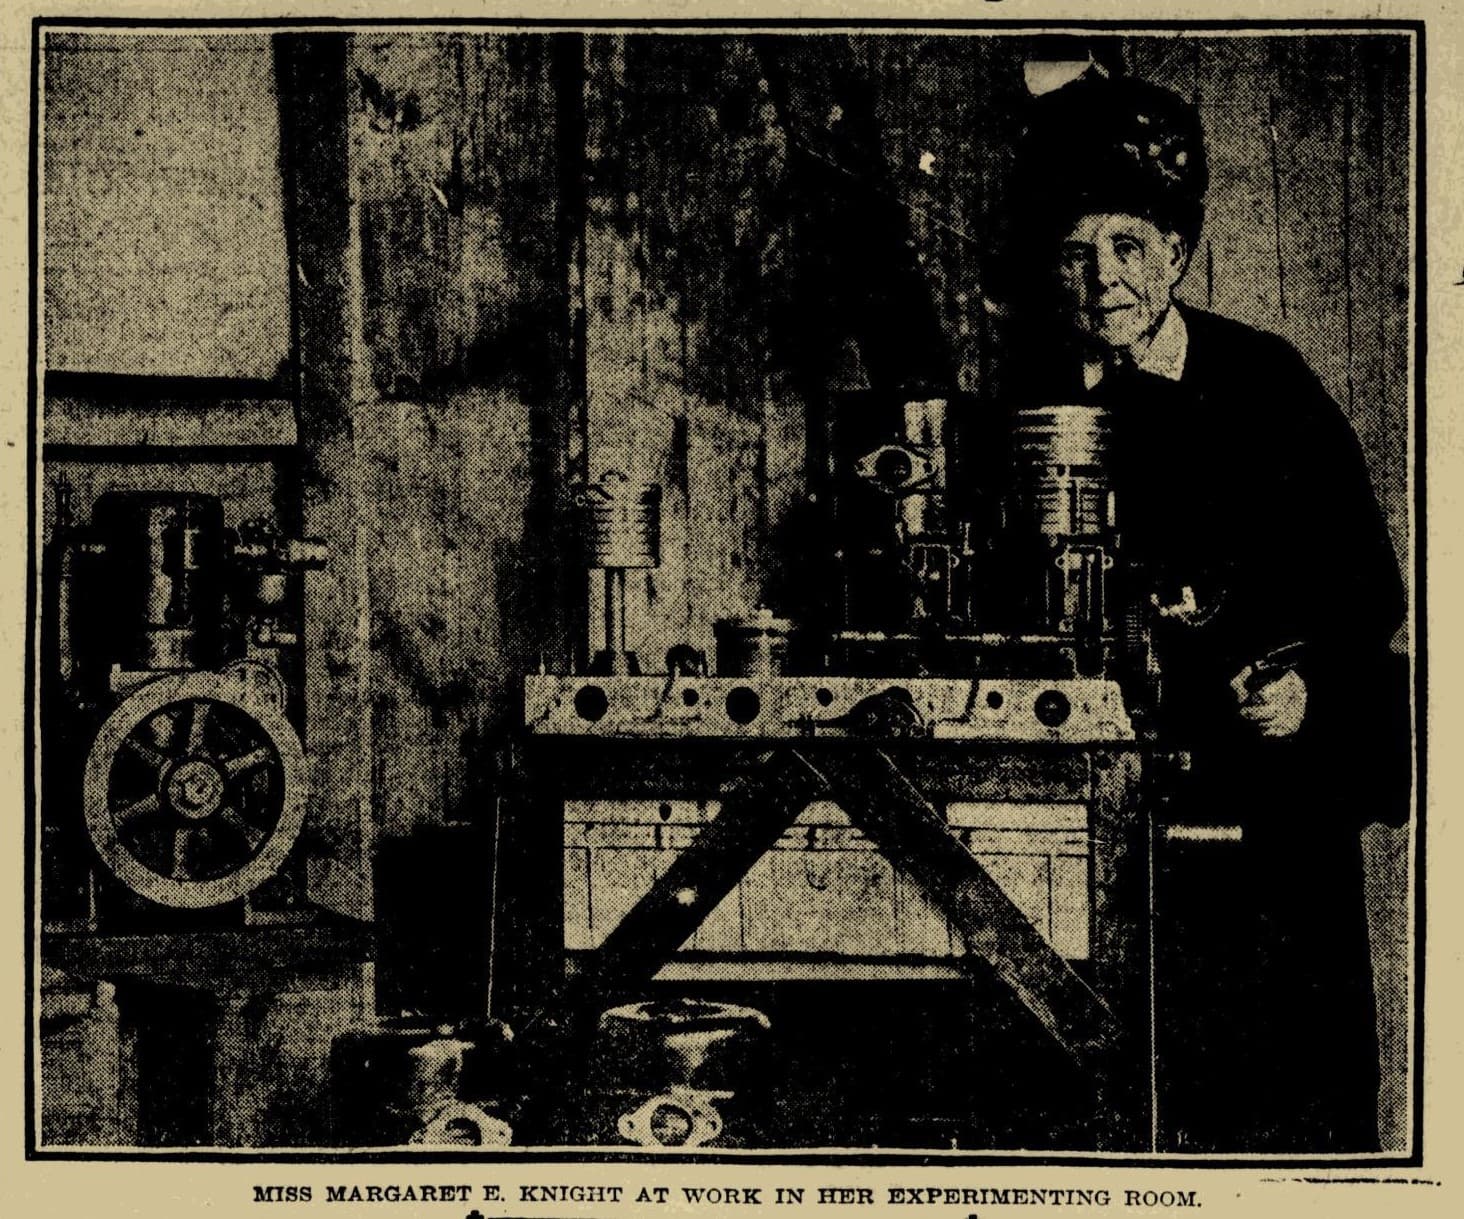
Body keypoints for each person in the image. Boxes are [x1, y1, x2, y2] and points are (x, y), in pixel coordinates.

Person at [1002, 70, 1409, 1152]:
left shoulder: (1267, 384)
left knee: (1277, 1096)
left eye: (1128, 247)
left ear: (1176, 253)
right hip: (1095, 811)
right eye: (1076, 253)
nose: (1103, 279)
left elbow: (1370, 591)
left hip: (1260, 807)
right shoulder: (1024, 398)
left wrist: (1303, 683)